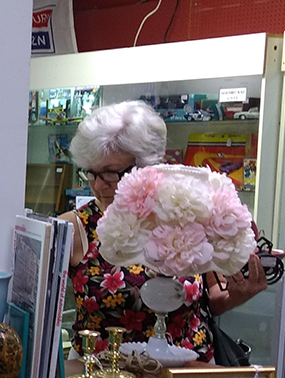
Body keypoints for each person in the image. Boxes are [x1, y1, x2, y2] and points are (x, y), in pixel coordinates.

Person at [59, 100, 267, 362]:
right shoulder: (74, 228)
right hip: (105, 376)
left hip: (188, 372)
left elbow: (214, 296)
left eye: (111, 173)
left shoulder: (186, 213)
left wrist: (237, 295)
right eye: (91, 173)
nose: (99, 186)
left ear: (147, 168)